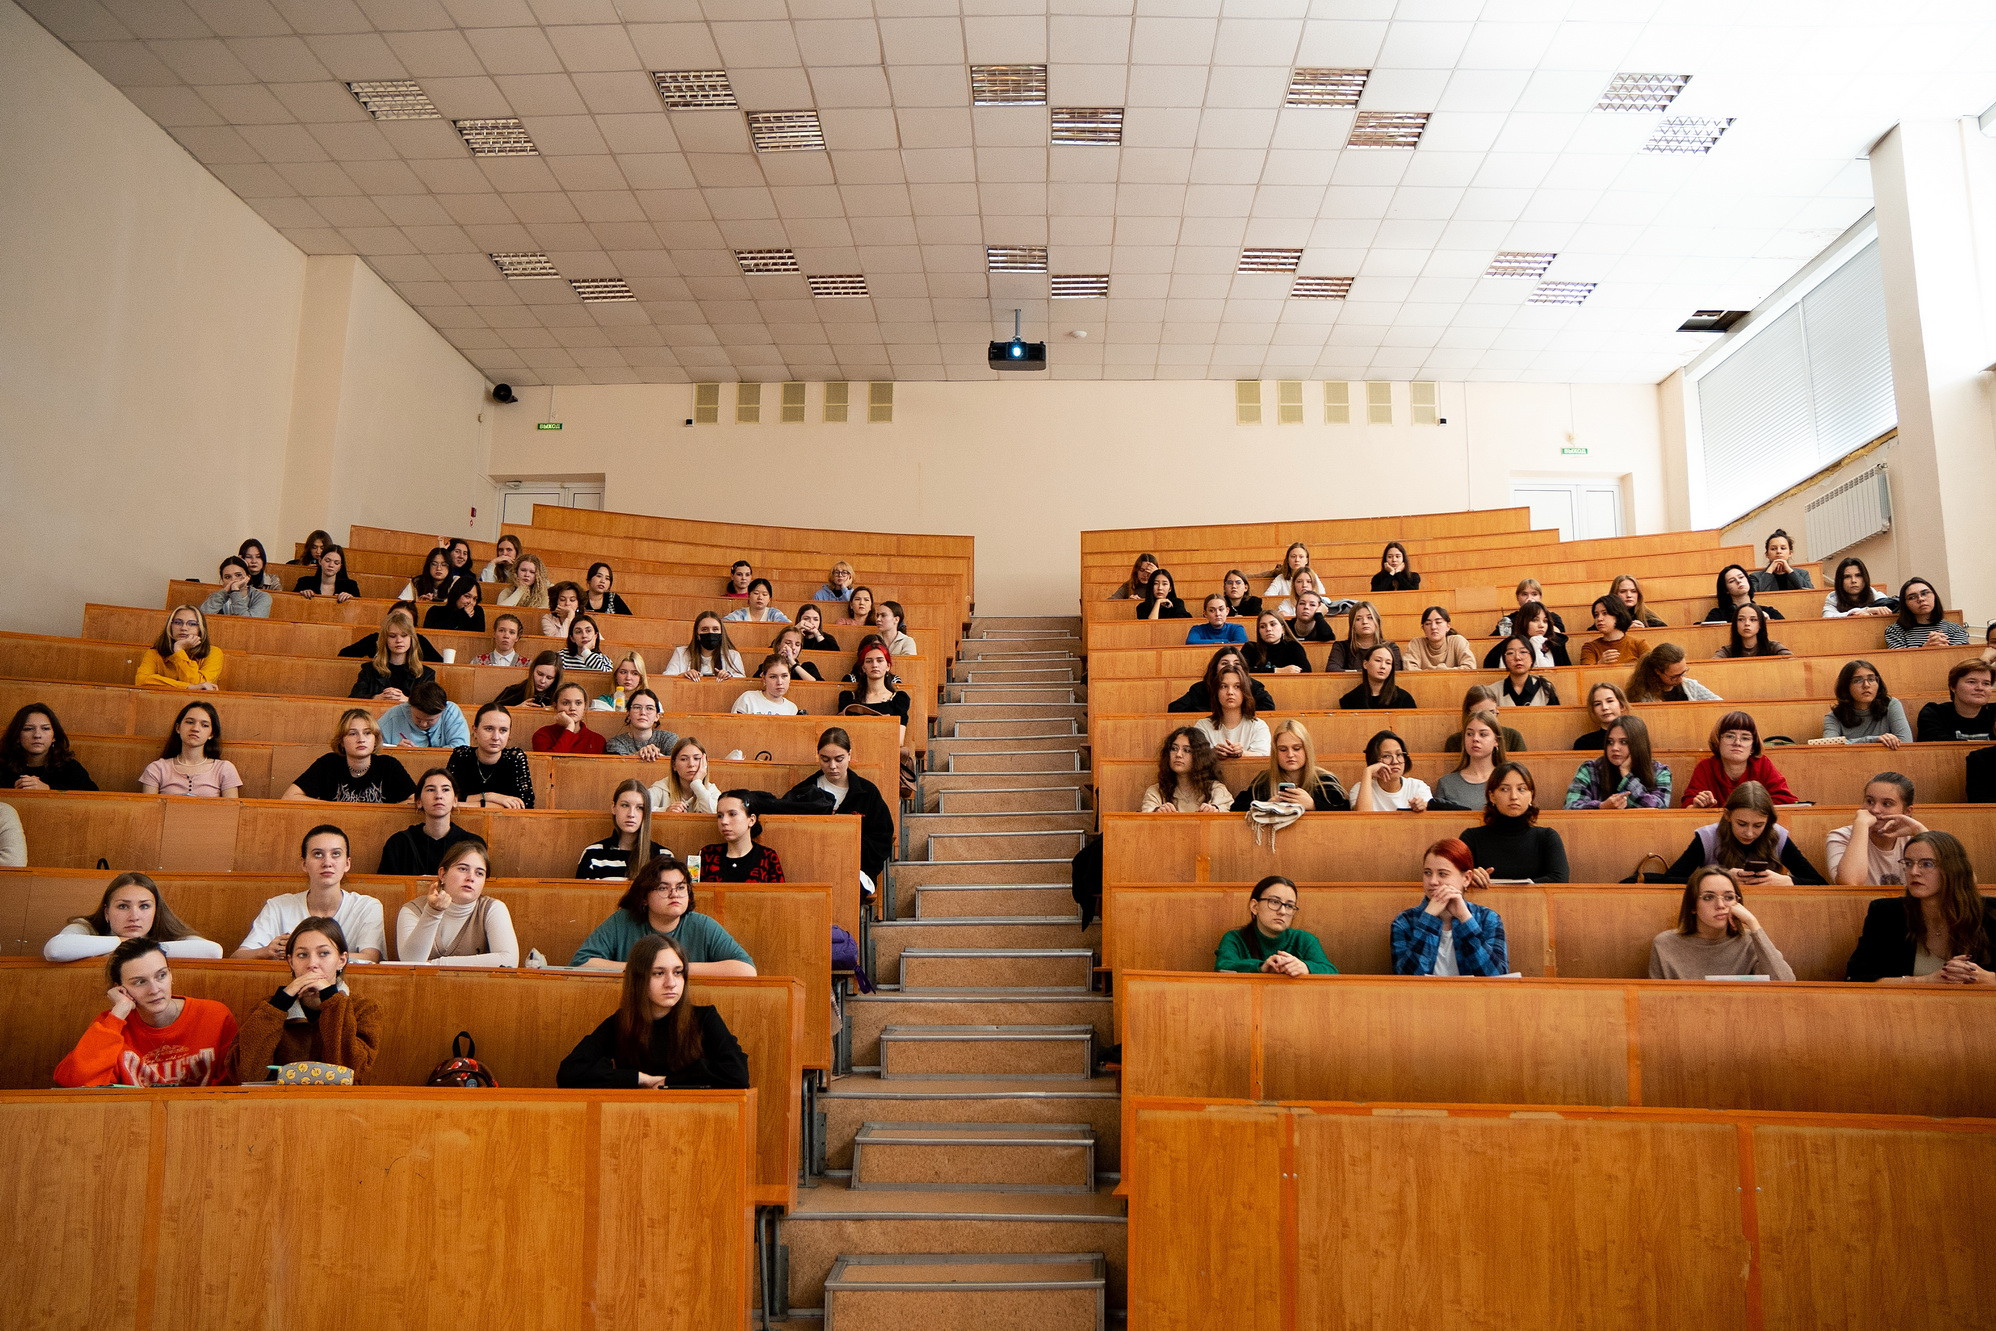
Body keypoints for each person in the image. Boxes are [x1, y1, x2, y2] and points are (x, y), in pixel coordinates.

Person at [556, 935, 752, 1088]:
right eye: (659, 973)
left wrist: (669, 1081)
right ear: (639, 979)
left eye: (678, 972)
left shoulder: (705, 1018)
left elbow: (737, 1074)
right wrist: (638, 1079)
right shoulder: (622, 1022)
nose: (671, 983)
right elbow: (569, 1073)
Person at [53, 939, 240, 1087]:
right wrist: (119, 1012)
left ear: (171, 975)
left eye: (161, 975)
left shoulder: (214, 1015)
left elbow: (233, 1084)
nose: (155, 989)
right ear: (120, 989)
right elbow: (76, 1082)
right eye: (139, 982)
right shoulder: (111, 1025)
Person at [237, 916, 383, 1081]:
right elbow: (245, 1075)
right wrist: (280, 1003)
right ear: (290, 961)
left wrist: (331, 998)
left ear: (342, 960)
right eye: (302, 955)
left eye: (324, 953)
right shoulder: (268, 1008)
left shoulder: (364, 1008)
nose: (312, 963)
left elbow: (351, 1074)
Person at [1844, 830, 1995, 982]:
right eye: (1908, 863)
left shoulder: (1992, 912)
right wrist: (1925, 981)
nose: (1914, 872)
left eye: (1927, 864)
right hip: (1905, 1005)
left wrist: (1987, 978)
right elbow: (1857, 978)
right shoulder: (1886, 913)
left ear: (1953, 869)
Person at [234, 826, 388, 961]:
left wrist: (307, 952)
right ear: (304, 864)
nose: (327, 862)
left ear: (347, 863)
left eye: (336, 854)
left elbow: (370, 957)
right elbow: (238, 957)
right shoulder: (278, 906)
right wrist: (266, 951)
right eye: (318, 854)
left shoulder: (367, 906)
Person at [784, 727, 896, 884]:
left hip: (857, 869)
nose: (832, 766)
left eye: (839, 759)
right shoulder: (803, 792)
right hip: (811, 867)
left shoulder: (867, 792)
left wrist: (846, 848)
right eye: (825, 759)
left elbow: (882, 839)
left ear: (849, 755)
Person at [1660, 782, 1826, 885]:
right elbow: (1670, 881)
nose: (1749, 833)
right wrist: (1719, 878)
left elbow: (1819, 883)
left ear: (1768, 822)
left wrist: (1786, 881)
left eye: (1758, 825)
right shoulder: (1708, 836)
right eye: (1742, 824)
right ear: (1727, 815)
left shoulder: (1777, 835)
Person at [1648, 867, 1796, 980]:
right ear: (1693, 906)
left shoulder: (1751, 942)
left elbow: (1785, 983)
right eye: (1708, 897)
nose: (1720, 905)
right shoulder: (1665, 944)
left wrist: (1753, 924)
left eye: (1728, 897)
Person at [41, 872, 223, 963]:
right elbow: (55, 950)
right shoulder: (86, 927)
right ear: (106, 912)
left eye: (144, 906)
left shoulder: (168, 931)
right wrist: (124, 942)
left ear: (156, 911)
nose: (134, 916)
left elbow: (213, 952)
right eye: (123, 906)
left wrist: (139, 947)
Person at [1391, 839, 1510, 977]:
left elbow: (1497, 977)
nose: (1433, 881)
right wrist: (1428, 918)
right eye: (1427, 873)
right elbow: (1406, 978)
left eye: (1442, 874)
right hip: (1423, 998)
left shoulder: (1488, 918)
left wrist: (1465, 919)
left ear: (1466, 878)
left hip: (1475, 998)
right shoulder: (1404, 921)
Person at [394, 840, 518, 966]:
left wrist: (436, 964)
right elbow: (409, 962)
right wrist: (432, 912)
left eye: (479, 873)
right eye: (463, 869)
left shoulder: (493, 908)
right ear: (442, 874)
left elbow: (509, 960)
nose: (471, 877)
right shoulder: (413, 909)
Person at [1458, 762, 1569, 883]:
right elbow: (1454, 879)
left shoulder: (1547, 837)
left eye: (1521, 789)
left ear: (1531, 796)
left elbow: (1559, 879)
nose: (1513, 796)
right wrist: (1470, 877)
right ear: (1492, 796)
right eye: (1504, 789)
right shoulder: (1471, 838)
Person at [283, 709, 417, 804]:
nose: (361, 739)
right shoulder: (328, 763)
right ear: (341, 740)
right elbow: (289, 797)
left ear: (375, 739)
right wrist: (336, 809)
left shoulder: (389, 765)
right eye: (353, 733)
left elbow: (415, 800)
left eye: (367, 733)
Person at [1214, 875, 1336, 976]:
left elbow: (1332, 972)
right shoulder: (1235, 938)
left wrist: (1306, 967)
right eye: (1274, 902)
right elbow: (1222, 967)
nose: (1282, 911)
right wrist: (1261, 967)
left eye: (1289, 906)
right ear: (1254, 907)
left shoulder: (1304, 940)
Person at [1827, 772, 1925, 886]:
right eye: (1869, 801)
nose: (1875, 809)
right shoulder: (1841, 836)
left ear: (1907, 812)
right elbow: (1850, 884)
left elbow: (1944, 881)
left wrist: (1921, 832)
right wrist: (1861, 825)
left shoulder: (1915, 838)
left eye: (1886, 804)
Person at [1681, 711, 1797, 808]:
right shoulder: (1706, 766)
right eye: (1730, 736)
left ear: (1753, 746)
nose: (1737, 743)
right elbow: (1688, 804)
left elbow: (1786, 799)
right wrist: (1697, 806)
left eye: (1745, 738)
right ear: (1718, 741)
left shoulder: (1762, 764)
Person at [377, 769, 482, 875]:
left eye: (445, 789)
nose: (438, 796)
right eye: (430, 790)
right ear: (419, 801)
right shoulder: (398, 843)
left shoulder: (473, 844)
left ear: (455, 800)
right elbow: (386, 888)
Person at [1229, 718, 1349, 811]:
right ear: (1275, 752)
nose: (1290, 754)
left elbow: (1345, 812)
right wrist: (1266, 806)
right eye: (1283, 749)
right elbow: (1236, 808)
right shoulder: (1263, 781)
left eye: (1297, 748)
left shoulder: (1325, 781)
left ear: (1307, 750)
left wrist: (1313, 805)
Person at [1564, 715, 1672, 809]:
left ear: (1639, 745)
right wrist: (1601, 806)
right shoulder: (1590, 769)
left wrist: (1627, 775)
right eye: (1610, 742)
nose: (1614, 748)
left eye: (1623, 742)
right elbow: (1570, 807)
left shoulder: (1660, 772)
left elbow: (1658, 808)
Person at [575, 779, 674, 881]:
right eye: (625, 805)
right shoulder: (592, 854)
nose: (631, 814)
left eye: (639, 807)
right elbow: (581, 896)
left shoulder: (663, 856)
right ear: (613, 807)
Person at [139, 702, 242, 797]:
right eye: (189, 722)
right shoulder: (157, 769)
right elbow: (149, 812)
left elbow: (231, 812)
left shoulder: (224, 769)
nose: (195, 729)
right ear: (178, 728)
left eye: (204, 725)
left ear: (211, 734)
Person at [446, 703, 537, 808]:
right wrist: (490, 797)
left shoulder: (515, 757)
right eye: (489, 729)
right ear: (475, 731)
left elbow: (525, 805)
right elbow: (448, 799)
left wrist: (468, 802)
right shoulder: (461, 755)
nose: (496, 737)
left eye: (503, 730)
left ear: (509, 734)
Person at [1, 704, 97, 790]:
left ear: (54, 736)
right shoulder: (3, 765)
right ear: (17, 736)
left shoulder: (70, 767)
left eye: (45, 728)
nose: (37, 735)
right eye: (28, 729)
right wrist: (12, 793)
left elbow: (94, 798)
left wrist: (48, 789)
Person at [1819, 659, 1912, 747]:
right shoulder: (1834, 717)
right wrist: (1873, 740)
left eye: (1871, 679)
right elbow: (1829, 746)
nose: (1866, 685)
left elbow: (1906, 742)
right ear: (1846, 687)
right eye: (1858, 680)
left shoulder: (1891, 705)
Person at [349, 610, 436, 703]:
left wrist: (407, 700)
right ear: (385, 639)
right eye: (392, 636)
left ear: (411, 639)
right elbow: (353, 698)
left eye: (404, 635)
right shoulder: (369, 670)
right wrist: (376, 698)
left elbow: (431, 705)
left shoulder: (426, 674)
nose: (399, 640)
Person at [837, 640, 912, 747]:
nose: (874, 665)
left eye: (880, 660)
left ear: (888, 666)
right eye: (869, 661)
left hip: (886, 750)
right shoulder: (848, 697)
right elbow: (843, 737)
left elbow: (898, 740)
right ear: (863, 668)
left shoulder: (899, 699)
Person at [700, 792, 785, 881]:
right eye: (720, 816)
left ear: (751, 820)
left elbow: (779, 894)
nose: (724, 821)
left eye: (732, 814)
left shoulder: (768, 857)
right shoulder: (707, 854)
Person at [1142, 726, 1230, 812]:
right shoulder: (1156, 791)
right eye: (1174, 749)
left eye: (1187, 750)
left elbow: (1226, 814)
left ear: (1199, 756)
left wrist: (1214, 810)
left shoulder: (1216, 789)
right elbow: (1146, 816)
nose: (1178, 754)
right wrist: (1158, 812)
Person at [136, 605, 223, 690]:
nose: (184, 628)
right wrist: (187, 687)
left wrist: (178, 650)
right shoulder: (154, 653)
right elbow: (141, 680)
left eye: (192, 624)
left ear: (200, 628)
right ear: (170, 626)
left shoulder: (213, 653)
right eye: (178, 622)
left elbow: (200, 685)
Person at [1168, 647, 1276, 715]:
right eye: (1224, 663)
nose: (1231, 666)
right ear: (1215, 667)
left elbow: (1268, 707)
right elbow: (1174, 708)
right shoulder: (1201, 688)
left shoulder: (1253, 685)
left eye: (1237, 663)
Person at [1194, 667, 1271, 759]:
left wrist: (1242, 753)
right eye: (1224, 686)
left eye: (1237, 687)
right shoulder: (1202, 726)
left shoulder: (1258, 726)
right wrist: (1212, 753)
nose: (1230, 692)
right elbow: (1196, 757)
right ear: (1216, 693)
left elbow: (1263, 756)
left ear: (1245, 691)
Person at [1434, 711, 1504, 811]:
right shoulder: (1447, 783)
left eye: (1483, 734)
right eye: (1470, 734)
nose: (1475, 739)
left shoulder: (1507, 780)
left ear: (1496, 741)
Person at [377, 680, 470, 751]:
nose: (423, 724)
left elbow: (461, 749)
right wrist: (398, 751)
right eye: (418, 718)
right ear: (410, 706)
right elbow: (375, 747)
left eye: (430, 720)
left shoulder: (451, 712)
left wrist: (421, 753)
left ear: (442, 711)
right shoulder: (393, 716)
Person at [1915, 659, 1994, 742]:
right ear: (1953, 686)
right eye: (1971, 682)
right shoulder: (1934, 713)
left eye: (1986, 683)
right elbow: (1942, 748)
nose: (1980, 688)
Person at [1353, 729, 1432, 811]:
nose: (1395, 761)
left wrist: (1423, 806)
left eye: (1399, 755)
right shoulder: (1359, 789)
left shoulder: (1417, 786)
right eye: (1387, 756)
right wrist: (1368, 772)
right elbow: (1362, 820)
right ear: (1374, 761)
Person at [339, 602, 445, 662]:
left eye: (405, 621)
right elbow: (344, 655)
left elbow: (439, 663)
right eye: (395, 617)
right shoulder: (375, 638)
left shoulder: (419, 640)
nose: (398, 640)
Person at [1480, 601, 1570, 668]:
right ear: (1523, 622)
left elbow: (1551, 675)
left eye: (1545, 621)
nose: (1541, 625)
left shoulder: (1556, 645)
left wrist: (1536, 647)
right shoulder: (1506, 646)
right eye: (1535, 620)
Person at [1887, 577, 1969, 649]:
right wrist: (1926, 648)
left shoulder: (1954, 629)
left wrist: (1944, 649)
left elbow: (1963, 658)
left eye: (1925, 593)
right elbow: (1899, 661)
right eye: (1912, 597)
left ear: (1935, 596)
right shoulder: (1895, 631)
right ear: (1905, 604)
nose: (1921, 599)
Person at [1626, 642, 1722, 703]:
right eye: (1674, 676)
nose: (1681, 679)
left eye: (1683, 672)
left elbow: (1719, 704)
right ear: (1658, 671)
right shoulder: (1644, 695)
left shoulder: (1690, 685)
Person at [1443, 685, 1525, 754]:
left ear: (1497, 712)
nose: (1485, 718)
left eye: (1491, 712)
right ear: (1468, 714)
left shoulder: (1513, 737)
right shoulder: (1454, 741)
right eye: (1479, 713)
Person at [533, 682, 609, 754]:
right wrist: (570, 727)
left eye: (578, 703)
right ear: (555, 706)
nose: (573, 708)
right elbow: (553, 762)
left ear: (585, 707)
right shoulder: (542, 735)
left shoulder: (598, 740)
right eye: (566, 703)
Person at [665, 612, 745, 680]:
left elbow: (742, 679)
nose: (710, 633)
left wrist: (729, 676)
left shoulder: (733, 655)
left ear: (721, 633)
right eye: (705, 629)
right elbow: (666, 678)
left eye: (715, 629)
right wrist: (683, 675)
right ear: (697, 634)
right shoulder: (681, 653)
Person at [650, 736, 719, 814]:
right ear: (674, 765)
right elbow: (639, 809)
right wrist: (665, 811)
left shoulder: (711, 790)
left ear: (705, 763)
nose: (691, 764)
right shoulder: (662, 787)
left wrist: (697, 783)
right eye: (684, 759)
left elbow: (716, 815)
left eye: (696, 758)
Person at [1325, 602, 1400, 672]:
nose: (1365, 622)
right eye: (1358, 619)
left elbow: (1395, 672)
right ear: (1352, 625)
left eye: (1370, 617)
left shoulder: (1390, 647)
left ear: (1377, 621)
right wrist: (1370, 672)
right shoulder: (1341, 646)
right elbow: (1332, 669)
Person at [1339, 643, 1416, 710]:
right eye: (1378, 660)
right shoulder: (1350, 700)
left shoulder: (1404, 699)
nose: (1383, 666)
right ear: (1365, 664)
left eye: (1388, 663)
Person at [1700, 564, 1784, 624]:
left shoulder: (1768, 611)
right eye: (1732, 581)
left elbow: (1785, 630)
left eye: (1741, 577)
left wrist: (1769, 623)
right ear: (1726, 589)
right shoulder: (1717, 614)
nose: (1739, 581)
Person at [607, 689, 677, 760]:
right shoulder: (616, 743)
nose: (643, 712)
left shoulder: (669, 739)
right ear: (628, 714)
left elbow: (676, 765)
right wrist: (638, 755)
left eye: (649, 708)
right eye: (637, 707)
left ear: (657, 716)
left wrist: (656, 755)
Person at [1579, 596, 1648, 667]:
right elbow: (1585, 674)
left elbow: (1652, 670)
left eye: (1605, 613)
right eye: (1596, 615)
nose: (1599, 619)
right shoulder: (1590, 647)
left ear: (1618, 615)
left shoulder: (1639, 644)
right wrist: (1600, 664)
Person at [1495, 635, 1561, 708]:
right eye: (1510, 653)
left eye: (1523, 652)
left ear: (1532, 658)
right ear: (1504, 660)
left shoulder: (1545, 689)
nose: (1517, 657)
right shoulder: (1493, 691)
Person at [1403, 605, 1474, 671]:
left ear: (1448, 626)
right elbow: (1408, 668)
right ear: (1423, 628)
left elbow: (1470, 667)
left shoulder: (1457, 641)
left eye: (1438, 622)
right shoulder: (1417, 643)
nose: (1433, 627)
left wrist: (1438, 671)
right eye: (1428, 623)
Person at [1492, 580, 1568, 641]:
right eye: (1524, 594)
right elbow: (1493, 641)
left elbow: (1559, 637)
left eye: (1534, 594)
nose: (1529, 599)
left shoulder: (1553, 617)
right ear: (1517, 597)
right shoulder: (1509, 620)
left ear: (1540, 597)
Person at [1822, 556, 1895, 619]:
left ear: (1865, 578)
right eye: (1847, 577)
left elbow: (1894, 606)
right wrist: (1866, 610)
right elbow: (1827, 618)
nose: (1853, 581)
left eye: (1858, 575)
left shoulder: (1874, 593)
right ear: (1840, 580)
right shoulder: (1833, 597)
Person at [201, 556, 272, 618]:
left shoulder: (263, 597)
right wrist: (224, 593)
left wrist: (235, 591)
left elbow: (248, 624)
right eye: (227, 577)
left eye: (238, 575)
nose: (233, 580)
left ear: (248, 577)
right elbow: (201, 619)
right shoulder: (217, 597)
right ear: (222, 580)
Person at [493, 650, 564, 711]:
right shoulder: (514, 691)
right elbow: (490, 712)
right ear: (532, 670)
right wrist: (516, 710)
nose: (542, 681)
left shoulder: (561, 697)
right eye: (539, 674)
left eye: (549, 678)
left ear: (555, 679)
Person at [1747, 529, 1814, 593]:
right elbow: (1756, 596)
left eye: (1783, 548)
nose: (1779, 551)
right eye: (1773, 549)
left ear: (1790, 553)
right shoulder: (1755, 577)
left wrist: (1790, 571)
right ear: (1767, 554)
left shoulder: (1803, 574)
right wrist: (1769, 572)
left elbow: (1810, 593)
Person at [1713, 603, 1791, 658]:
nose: (1747, 623)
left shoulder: (1773, 647)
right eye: (1741, 619)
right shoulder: (1727, 651)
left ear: (1760, 624)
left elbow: (1792, 661)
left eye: (1753, 620)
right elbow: (1713, 665)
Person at [732, 657, 801, 714]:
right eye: (773, 677)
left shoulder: (792, 708)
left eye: (784, 676)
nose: (779, 682)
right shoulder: (748, 699)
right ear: (764, 679)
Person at [1572, 683, 1628, 752]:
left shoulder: (1636, 737)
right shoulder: (1583, 743)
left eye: (1610, 701)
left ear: (1621, 705)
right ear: (1593, 710)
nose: (1604, 707)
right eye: (1597, 704)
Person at [294, 544, 360, 601]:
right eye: (327, 561)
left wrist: (351, 600)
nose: (331, 565)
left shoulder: (351, 586)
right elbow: (290, 603)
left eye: (336, 563)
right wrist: (301, 596)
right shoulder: (304, 582)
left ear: (340, 566)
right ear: (320, 561)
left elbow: (360, 610)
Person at [422, 576, 486, 633]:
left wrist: (465, 617)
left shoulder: (478, 612)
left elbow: (477, 639)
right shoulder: (435, 611)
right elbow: (439, 635)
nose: (471, 602)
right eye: (467, 596)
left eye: (475, 598)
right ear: (456, 595)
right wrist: (462, 614)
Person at [723, 577, 788, 624]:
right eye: (756, 593)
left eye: (764, 594)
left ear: (769, 599)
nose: (760, 597)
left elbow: (788, 627)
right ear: (748, 596)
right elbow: (724, 623)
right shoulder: (740, 614)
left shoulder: (774, 614)